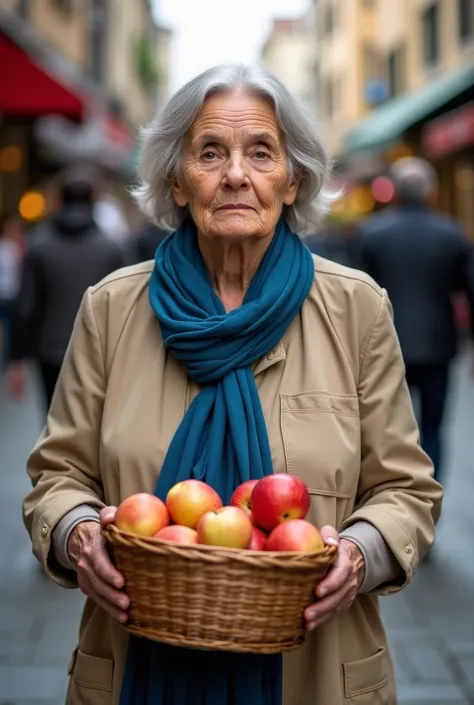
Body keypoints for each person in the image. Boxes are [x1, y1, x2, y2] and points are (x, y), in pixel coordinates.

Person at [22, 65, 442, 705]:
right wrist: (78, 533)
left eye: (262, 152)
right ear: (178, 180)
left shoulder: (356, 307)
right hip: (137, 662)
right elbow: (57, 476)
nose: (237, 175)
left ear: (293, 178)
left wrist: (357, 554)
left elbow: (405, 489)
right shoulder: (111, 308)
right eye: (210, 152)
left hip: (315, 672)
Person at [357, 157, 474, 484]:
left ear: (393, 192)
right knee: (433, 427)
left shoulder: (372, 234)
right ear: (432, 193)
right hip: (438, 345)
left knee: (387, 428)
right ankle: (430, 497)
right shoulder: (452, 234)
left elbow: (357, 293)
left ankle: (392, 493)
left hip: (385, 345)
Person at [8, 166, 126, 409]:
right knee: (94, 424)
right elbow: (124, 308)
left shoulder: (39, 246)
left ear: (59, 199)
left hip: (50, 351)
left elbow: (26, 306)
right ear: (95, 199)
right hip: (98, 352)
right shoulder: (111, 249)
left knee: (53, 423)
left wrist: (17, 358)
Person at [0, 216, 24, 367]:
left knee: (10, 328)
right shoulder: (3, 246)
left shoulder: (19, 247)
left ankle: (9, 357)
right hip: (3, 292)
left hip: (14, 293)